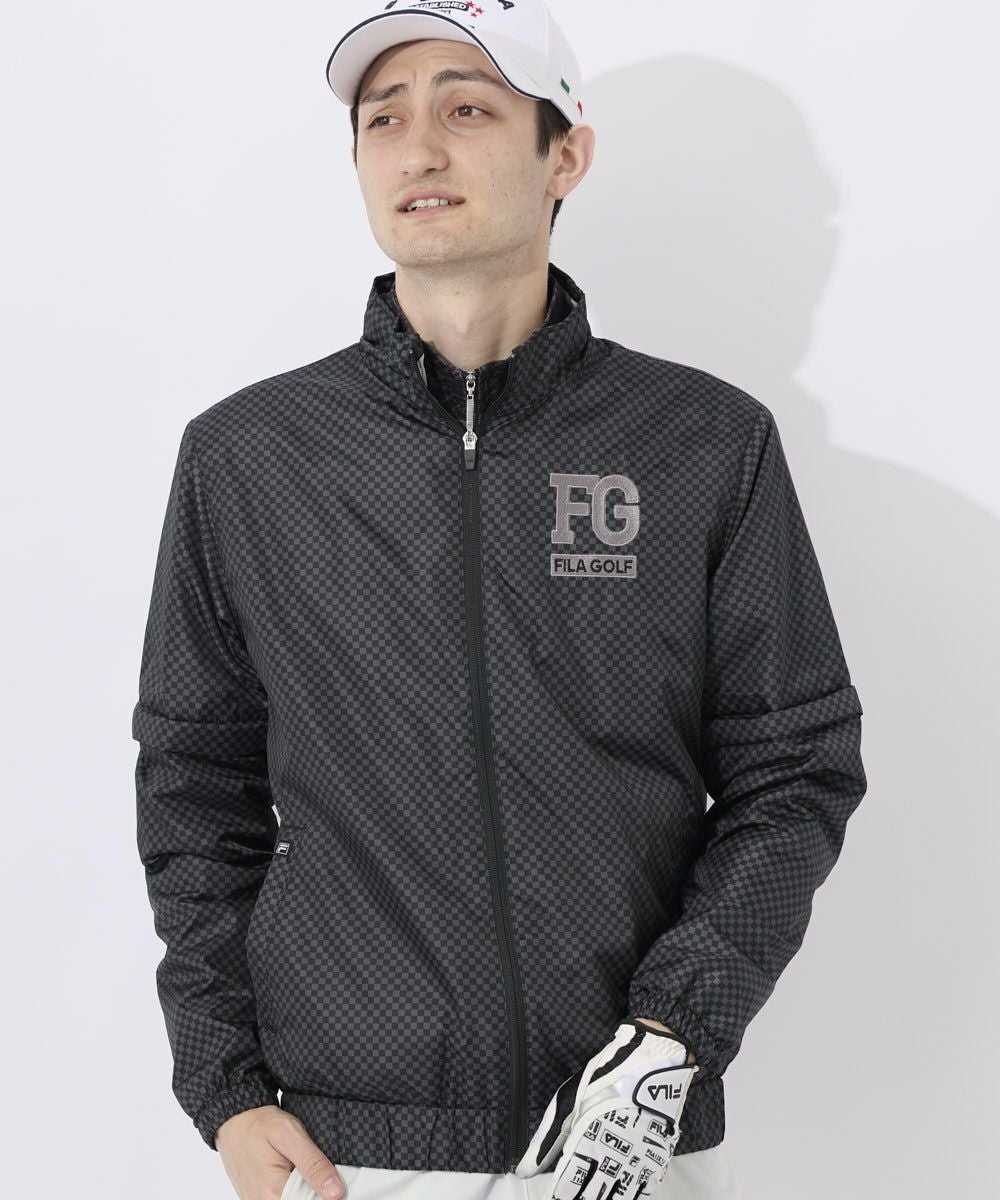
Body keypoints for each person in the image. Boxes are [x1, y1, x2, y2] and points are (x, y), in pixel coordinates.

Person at [132, 3, 867, 1199]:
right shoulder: (251, 456)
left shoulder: (701, 443)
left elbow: (796, 767)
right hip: (346, 1144)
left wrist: (671, 1036)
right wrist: (225, 1090)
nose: (418, 148)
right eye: (384, 120)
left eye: (467, 109)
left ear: (564, 154)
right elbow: (192, 784)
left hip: (624, 1129)